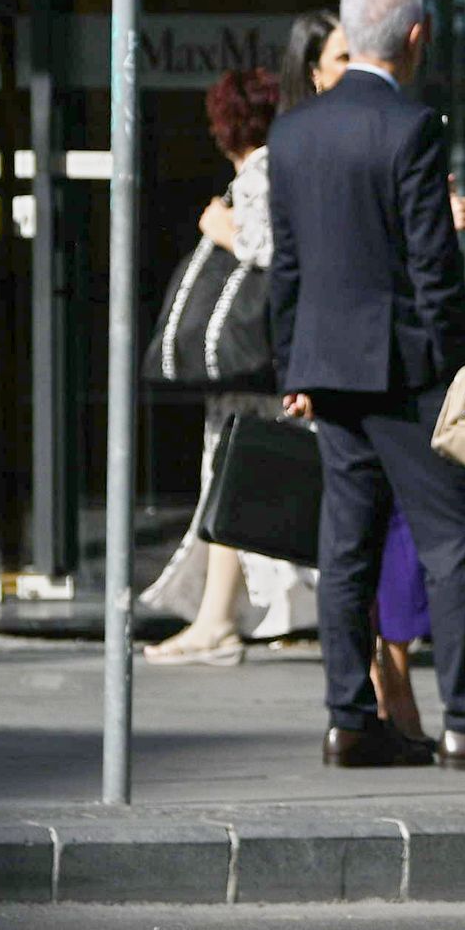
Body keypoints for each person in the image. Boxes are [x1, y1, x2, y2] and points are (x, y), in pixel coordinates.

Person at [267, 0, 465, 769]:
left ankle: (348, 717)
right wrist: (457, 368)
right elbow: (432, 267)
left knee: (347, 546)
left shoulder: (294, 134)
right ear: (417, 38)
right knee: (457, 540)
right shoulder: (410, 127)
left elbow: (288, 268)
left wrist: (290, 366)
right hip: (406, 368)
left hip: (327, 368)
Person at [141, 65, 323, 668]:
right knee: (235, 483)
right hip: (265, 369)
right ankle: (218, 618)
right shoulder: (281, 168)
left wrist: (225, 232)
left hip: (256, 370)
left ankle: (217, 623)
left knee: (232, 480)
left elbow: (277, 251)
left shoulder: (262, 172)